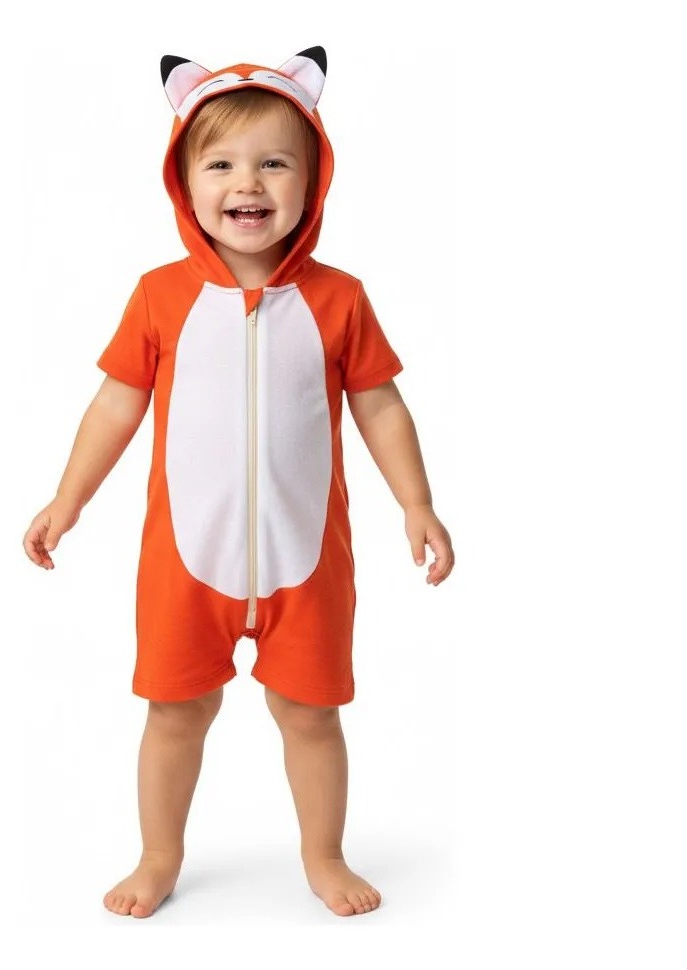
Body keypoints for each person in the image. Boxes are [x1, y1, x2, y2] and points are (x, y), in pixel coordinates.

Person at [22, 46, 455, 919]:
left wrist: (417, 503)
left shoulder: (340, 299)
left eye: (274, 163)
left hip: (309, 565)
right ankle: (158, 856)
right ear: (183, 184)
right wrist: (68, 500)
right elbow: (115, 406)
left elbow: (380, 407)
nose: (247, 182)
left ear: (313, 182)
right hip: (185, 566)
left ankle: (324, 854)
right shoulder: (159, 296)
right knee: (174, 714)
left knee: (312, 716)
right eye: (219, 164)